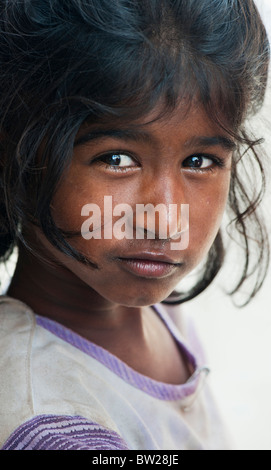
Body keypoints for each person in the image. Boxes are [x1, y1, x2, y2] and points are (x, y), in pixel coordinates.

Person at [0, 0, 269, 451]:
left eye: (199, 161)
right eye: (116, 159)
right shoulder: (53, 425)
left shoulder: (157, 305)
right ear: (20, 153)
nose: (165, 219)